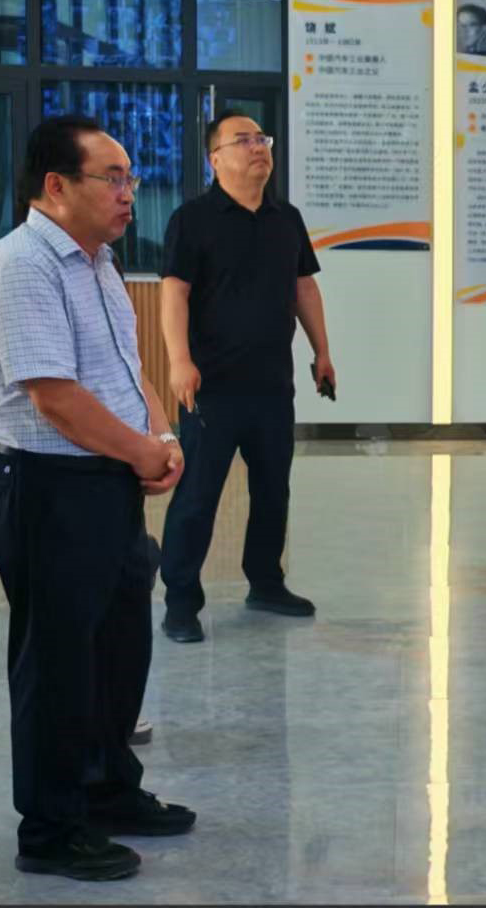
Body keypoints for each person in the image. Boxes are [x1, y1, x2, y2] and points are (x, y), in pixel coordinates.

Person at [0, 115, 195, 882]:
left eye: (131, 177)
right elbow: (55, 397)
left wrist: (159, 437)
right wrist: (141, 452)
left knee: (117, 647)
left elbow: (126, 371)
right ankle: (51, 828)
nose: (129, 192)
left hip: (105, 481)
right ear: (56, 186)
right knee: (58, 663)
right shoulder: (23, 264)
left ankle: (106, 790)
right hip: (48, 488)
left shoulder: (98, 262)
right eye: (113, 178)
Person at [158, 114, 332, 637]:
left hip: (273, 386)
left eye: (262, 139)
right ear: (215, 159)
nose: (258, 148)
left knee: (273, 490)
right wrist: (179, 360)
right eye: (244, 141)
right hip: (211, 387)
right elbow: (175, 292)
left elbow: (304, 287)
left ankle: (266, 582)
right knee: (198, 496)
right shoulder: (192, 219)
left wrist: (323, 352)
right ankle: (181, 601)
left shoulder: (286, 218)